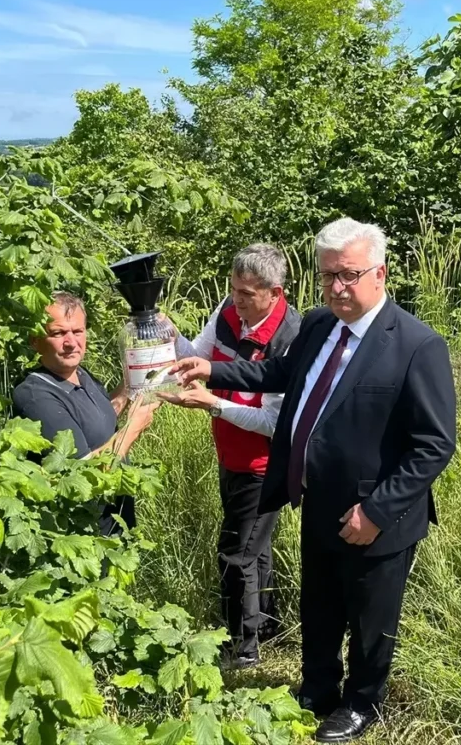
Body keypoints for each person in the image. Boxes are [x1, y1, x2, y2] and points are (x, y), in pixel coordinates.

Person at [171, 219, 456, 743]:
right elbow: (279, 375)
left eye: (349, 276)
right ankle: (318, 689)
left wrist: (375, 510)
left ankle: (362, 704)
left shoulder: (417, 345)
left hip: (378, 516)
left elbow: (434, 444)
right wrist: (213, 370)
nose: (337, 288)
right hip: (319, 500)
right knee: (319, 605)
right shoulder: (321, 325)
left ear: (380, 273)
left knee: (371, 619)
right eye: (328, 277)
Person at [159, 243, 301, 670]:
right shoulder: (226, 311)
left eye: (248, 293)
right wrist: (167, 333)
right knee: (254, 548)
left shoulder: (289, 338)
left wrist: (213, 405)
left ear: (275, 292)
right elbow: (199, 355)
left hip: (264, 464)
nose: (237, 300)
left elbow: (276, 423)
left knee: (235, 552)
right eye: (234, 289)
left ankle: (241, 645)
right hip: (229, 451)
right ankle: (268, 624)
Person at [12, 291, 157, 536]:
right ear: (35, 339)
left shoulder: (80, 374)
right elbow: (83, 473)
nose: (71, 342)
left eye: (77, 331)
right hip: (85, 536)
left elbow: (95, 422)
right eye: (58, 333)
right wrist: (133, 427)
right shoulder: (36, 396)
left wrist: (132, 385)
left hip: (116, 525)